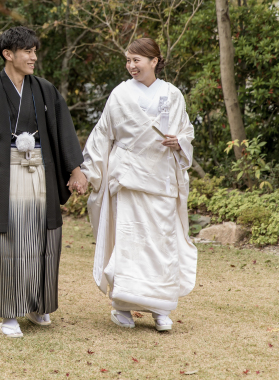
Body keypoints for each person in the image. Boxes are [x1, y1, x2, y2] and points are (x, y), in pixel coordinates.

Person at [0, 26, 87, 338]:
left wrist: (75, 169)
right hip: (5, 174)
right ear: (8, 54)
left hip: (41, 171)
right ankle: (11, 313)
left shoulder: (44, 89)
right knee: (9, 241)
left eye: (34, 51)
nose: (33, 57)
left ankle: (40, 306)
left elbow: (64, 129)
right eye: (27, 51)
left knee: (44, 238)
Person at [80, 37, 197, 332]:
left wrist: (179, 142)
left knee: (161, 244)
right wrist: (88, 173)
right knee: (129, 243)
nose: (131, 66)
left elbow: (186, 132)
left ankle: (161, 308)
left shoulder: (172, 94)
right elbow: (102, 135)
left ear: (154, 61)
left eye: (137, 60)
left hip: (160, 179)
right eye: (128, 60)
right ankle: (122, 306)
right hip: (128, 177)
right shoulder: (120, 94)